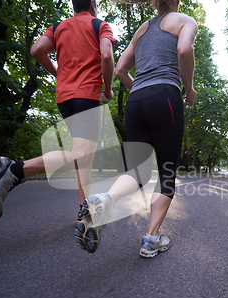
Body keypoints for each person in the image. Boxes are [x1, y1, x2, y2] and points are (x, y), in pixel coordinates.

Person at [77, 0, 198, 258]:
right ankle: (151, 238)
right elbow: (184, 50)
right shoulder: (186, 21)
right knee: (166, 171)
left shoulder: (141, 30)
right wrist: (189, 89)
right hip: (166, 94)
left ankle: (106, 199)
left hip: (136, 101)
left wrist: (142, 92)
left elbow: (120, 70)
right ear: (177, 1)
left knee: (137, 172)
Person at [0, 0, 115, 226]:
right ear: (92, 4)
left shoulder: (58, 27)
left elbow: (36, 49)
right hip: (87, 94)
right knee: (82, 155)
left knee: (83, 157)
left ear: (74, 5)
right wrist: (109, 89)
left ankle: (86, 213)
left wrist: (58, 73)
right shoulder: (100, 25)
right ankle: (12, 169)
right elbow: (106, 56)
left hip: (64, 98)